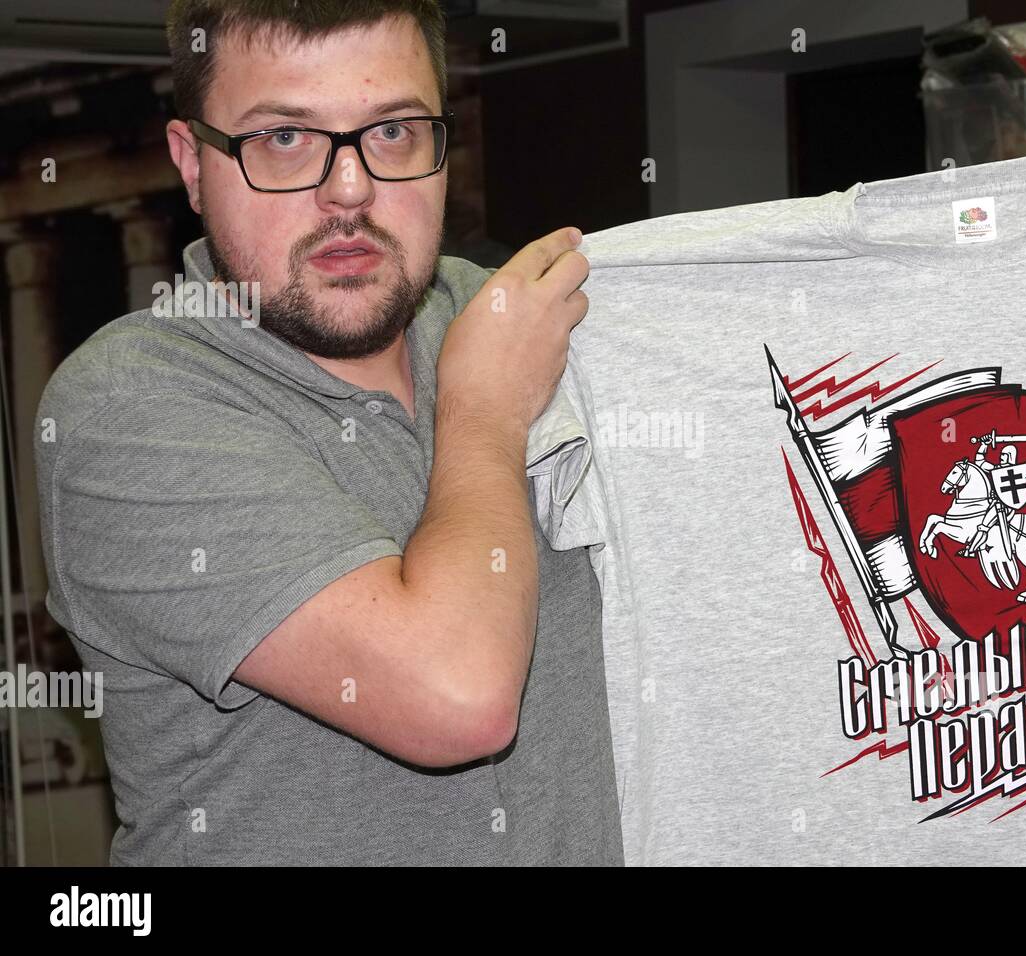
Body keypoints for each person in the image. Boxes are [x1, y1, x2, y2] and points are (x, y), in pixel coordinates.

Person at [32, 0, 622, 865]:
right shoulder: (125, 410)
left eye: (392, 133)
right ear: (192, 164)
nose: (349, 190)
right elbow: (456, 696)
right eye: (283, 139)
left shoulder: (518, 314)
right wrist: (486, 412)